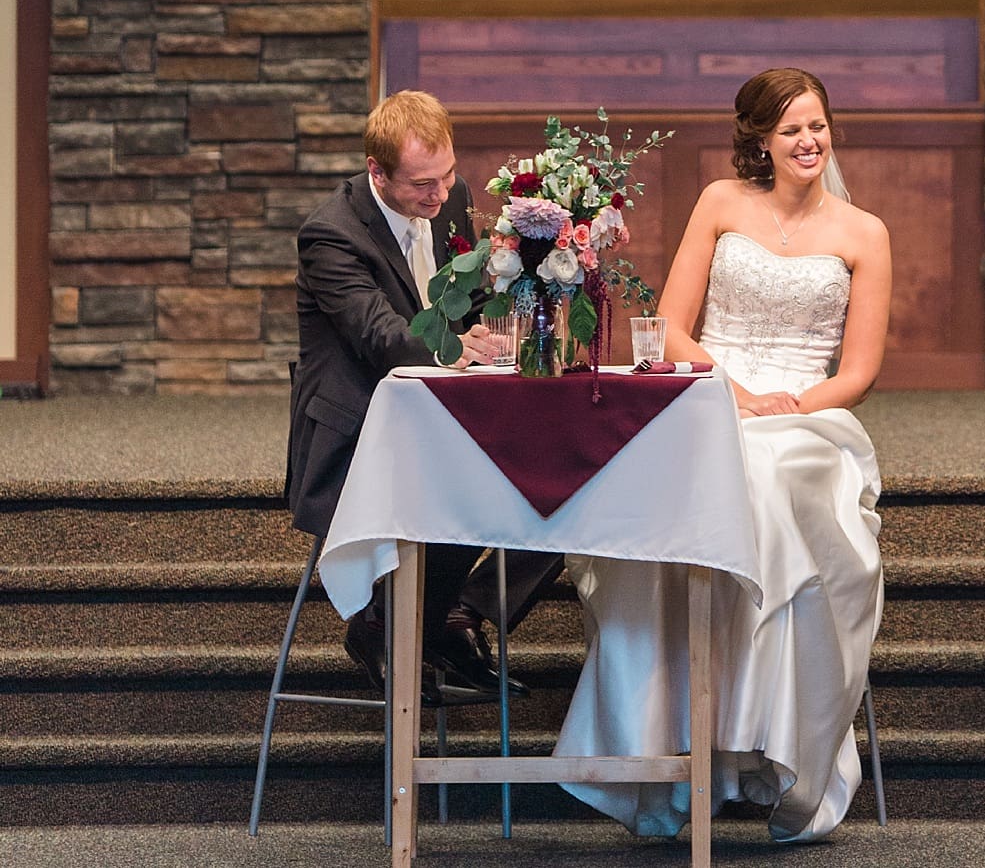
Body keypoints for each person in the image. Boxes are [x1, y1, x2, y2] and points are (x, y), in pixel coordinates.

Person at [556, 66, 892, 843]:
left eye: (816, 126)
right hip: (715, 395)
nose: (808, 142)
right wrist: (735, 394)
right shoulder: (719, 203)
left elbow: (859, 373)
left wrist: (789, 404)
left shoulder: (862, 231)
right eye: (790, 131)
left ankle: (769, 736)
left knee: (771, 475)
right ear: (761, 142)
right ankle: (672, 740)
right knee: (677, 479)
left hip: (812, 419)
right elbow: (671, 328)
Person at [287, 87, 558, 695]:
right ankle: (389, 622)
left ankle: (454, 613)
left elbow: (470, 298)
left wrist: (490, 330)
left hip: (443, 421)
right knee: (467, 488)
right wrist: (456, 348)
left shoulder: (453, 199)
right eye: (421, 186)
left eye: (447, 177)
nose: (439, 196)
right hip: (360, 436)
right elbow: (380, 335)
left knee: (567, 481)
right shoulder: (329, 235)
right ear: (376, 172)